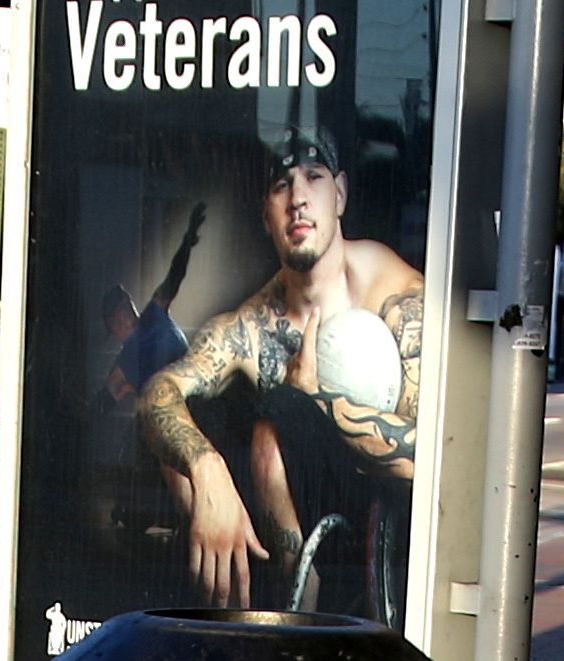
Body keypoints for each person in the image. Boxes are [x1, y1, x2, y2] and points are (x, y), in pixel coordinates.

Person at [134, 136, 427, 616]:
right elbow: (157, 394)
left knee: (280, 413)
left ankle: (293, 634)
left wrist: (315, 398)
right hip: (281, 527)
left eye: (314, 177)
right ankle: (228, 608)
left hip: (379, 537)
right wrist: (209, 473)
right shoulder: (252, 324)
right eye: (280, 186)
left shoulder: (398, 298)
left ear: (340, 195)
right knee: (190, 430)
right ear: (265, 214)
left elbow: (426, 462)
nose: (298, 199)